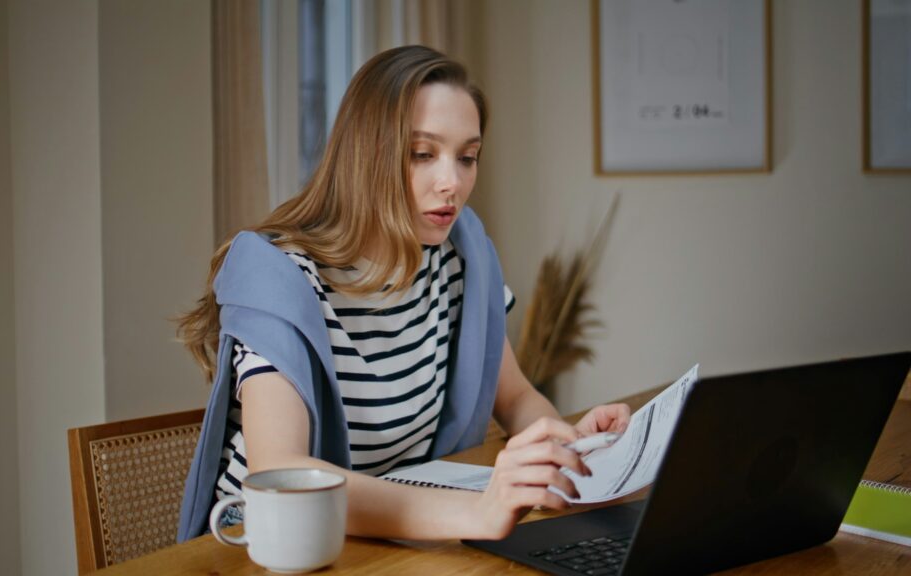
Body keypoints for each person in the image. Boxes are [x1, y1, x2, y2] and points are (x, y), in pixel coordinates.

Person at [176, 45, 630, 543]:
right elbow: (280, 474)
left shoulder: (460, 257)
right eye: (422, 154)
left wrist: (570, 451)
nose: (451, 182)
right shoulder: (279, 275)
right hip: (268, 546)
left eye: (468, 157)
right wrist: (475, 513)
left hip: (389, 537)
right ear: (364, 155)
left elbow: (516, 396)